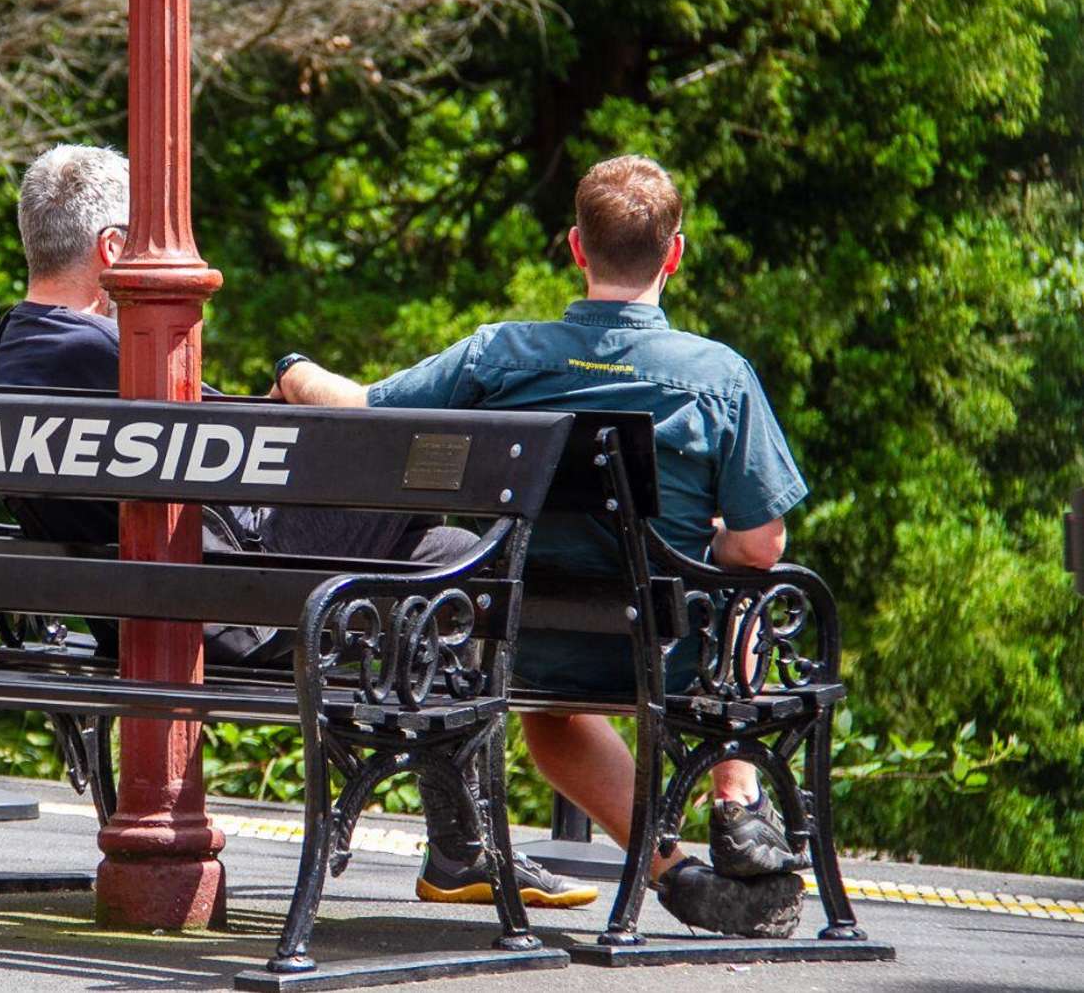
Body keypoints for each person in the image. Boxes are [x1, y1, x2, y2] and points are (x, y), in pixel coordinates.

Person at [0, 143, 597, 909]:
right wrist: (298, 375)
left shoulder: (12, 351)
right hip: (222, 612)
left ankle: (461, 849)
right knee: (431, 498)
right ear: (115, 250)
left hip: (141, 602)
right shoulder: (117, 353)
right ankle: (460, 847)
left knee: (444, 558)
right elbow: (251, 441)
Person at [271, 154, 811, 936]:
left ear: (576, 247)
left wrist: (295, 373)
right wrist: (711, 546)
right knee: (757, 599)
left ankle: (672, 869)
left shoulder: (500, 356)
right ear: (676, 253)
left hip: (522, 645)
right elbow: (762, 546)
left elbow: (362, 409)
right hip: (667, 651)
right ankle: (735, 793)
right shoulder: (718, 375)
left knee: (551, 719)